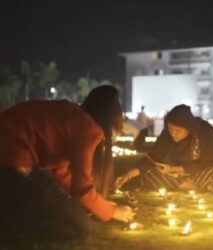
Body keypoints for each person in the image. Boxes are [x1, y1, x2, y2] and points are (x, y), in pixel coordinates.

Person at [0, 85, 135, 240]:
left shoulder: (75, 117)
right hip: (11, 159)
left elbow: (62, 172)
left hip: (11, 155)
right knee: (79, 225)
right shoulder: (88, 128)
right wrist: (112, 211)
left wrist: (101, 204)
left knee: (68, 211)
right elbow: (81, 191)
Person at [115, 104, 213, 192]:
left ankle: (194, 186)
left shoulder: (205, 131)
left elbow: (209, 161)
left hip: (203, 171)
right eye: (170, 129)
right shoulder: (167, 134)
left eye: (178, 131)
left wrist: (176, 169)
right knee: (149, 175)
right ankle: (198, 187)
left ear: (188, 128)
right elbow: (153, 157)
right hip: (178, 176)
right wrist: (128, 175)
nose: (173, 133)